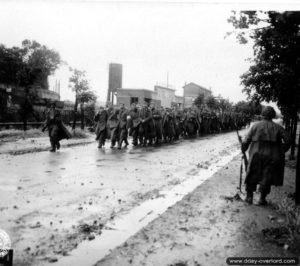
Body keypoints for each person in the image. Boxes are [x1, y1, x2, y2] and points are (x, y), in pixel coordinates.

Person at [242, 106, 291, 205]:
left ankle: (249, 197)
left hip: (256, 153)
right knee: (267, 176)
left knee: (252, 174)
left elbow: (246, 140)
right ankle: (262, 199)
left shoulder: (255, 126)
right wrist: (281, 150)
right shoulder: (278, 127)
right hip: (272, 155)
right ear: (273, 115)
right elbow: (288, 140)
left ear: (262, 114)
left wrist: (243, 149)